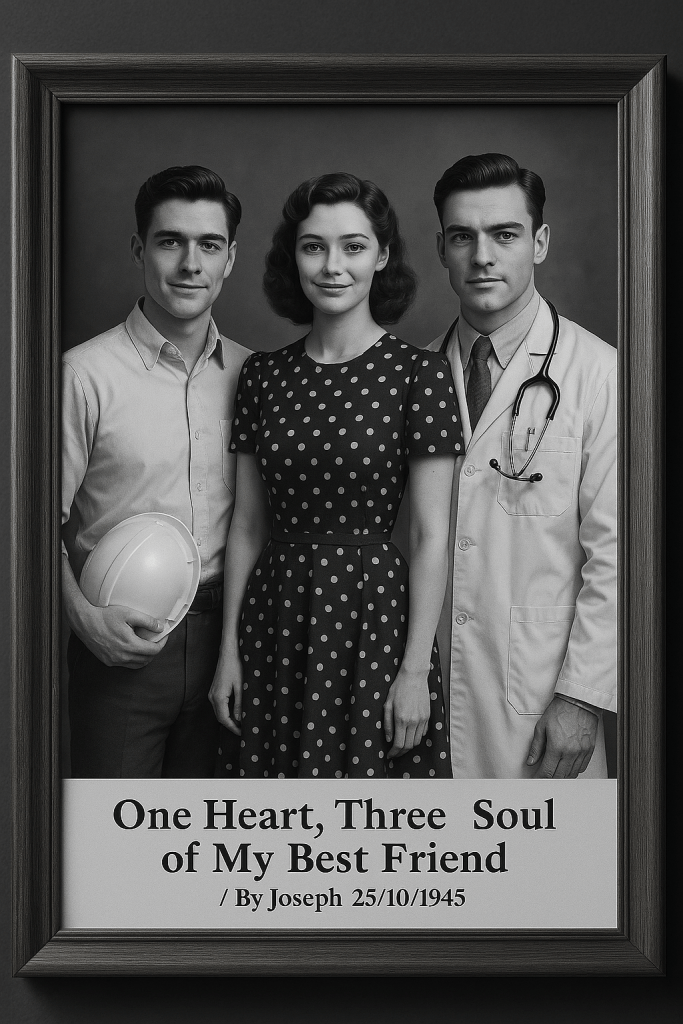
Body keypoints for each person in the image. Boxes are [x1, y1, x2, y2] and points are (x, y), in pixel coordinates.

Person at [209, 172, 463, 778]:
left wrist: (413, 671)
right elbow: (246, 525)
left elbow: (432, 535)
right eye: (313, 246)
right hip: (275, 617)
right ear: (292, 258)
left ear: (382, 259)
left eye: (353, 246)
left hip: (373, 619)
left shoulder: (419, 376)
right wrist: (228, 654)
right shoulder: (262, 377)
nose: (332, 265)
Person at [428, 152, 617, 779]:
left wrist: (583, 695)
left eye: (504, 234)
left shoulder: (598, 373)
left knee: (545, 871)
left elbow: (618, 552)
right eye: (463, 236)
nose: (482, 255)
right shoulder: (415, 373)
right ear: (442, 248)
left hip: (541, 703)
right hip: (427, 699)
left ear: (538, 242)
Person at [62, 165, 251, 778]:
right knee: (117, 848)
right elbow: (27, 526)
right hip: (123, 644)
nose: (190, 263)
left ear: (230, 261)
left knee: (209, 851)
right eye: (171, 242)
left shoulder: (257, 377)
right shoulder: (82, 375)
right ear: (140, 249)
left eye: (210, 245)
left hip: (233, 648)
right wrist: (85, 621)